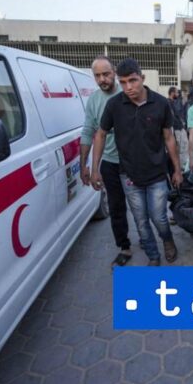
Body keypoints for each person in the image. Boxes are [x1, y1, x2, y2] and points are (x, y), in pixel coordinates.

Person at [91, 58, 182, 266]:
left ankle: (167, 240)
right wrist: (95, 169)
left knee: (159, 217)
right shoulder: (114, 105)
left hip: (157, 174)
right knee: (140, 220)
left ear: (142, 78)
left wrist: (177, 170)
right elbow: (101, 134)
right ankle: (153, 255)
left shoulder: (160, 103)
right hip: (129, 175)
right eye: (123, 82)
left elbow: (169, 138)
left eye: (132, 80)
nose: (128, 87)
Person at [80, 55, 133, 267]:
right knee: (116, 207)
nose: (102, 79)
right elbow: (88, 132)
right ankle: (124, 247)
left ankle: (149, 241)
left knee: (141, 206)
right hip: (110, 163)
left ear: (115, 73)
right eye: (97, 75)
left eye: (106, 74)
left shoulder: (128, 94)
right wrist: (86, 166)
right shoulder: (93, 101)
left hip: (133, 162)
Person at [168, 86, 188, 170]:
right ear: (172, 93)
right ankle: (179, 167)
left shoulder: (175, 102)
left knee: (184, 146)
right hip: (176, 129)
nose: (178, 94)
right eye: (176, 92)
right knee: (179, 148)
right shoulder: (168, 103)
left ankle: (183, 166)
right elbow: (172, 117)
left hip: (180, 128)